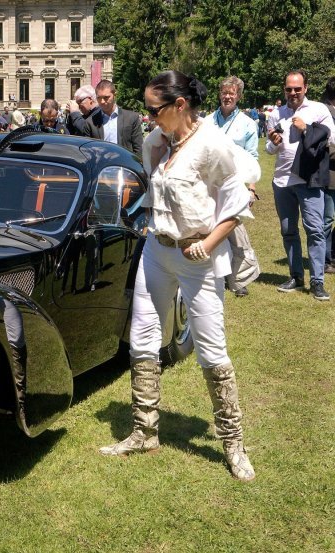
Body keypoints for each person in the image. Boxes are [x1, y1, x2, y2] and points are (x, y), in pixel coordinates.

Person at [100, 71, 256, 483]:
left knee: (211, 348)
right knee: (144, 335)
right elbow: (156, 187)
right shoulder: (157, 141)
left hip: (197, 260)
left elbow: (237, 204)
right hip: (157, 251)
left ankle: (234, 445)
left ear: (180, 105)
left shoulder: (213, 145)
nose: (149, 118)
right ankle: (144, 432)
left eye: (155, 110)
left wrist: (207, 243)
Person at [266, 70, 335, 301]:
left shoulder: (318, 109)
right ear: (284, 89)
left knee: (315, 230)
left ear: (306, 87)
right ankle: (296, 276)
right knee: (289, 231)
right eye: (289, 89)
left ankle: (317, 282)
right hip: (281, 181)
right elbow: (269, 148)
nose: (293, 93)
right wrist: (273, 143)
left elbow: (332, 139)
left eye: (297, 88)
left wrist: (307, 128)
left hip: (309, 180)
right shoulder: (277, 113)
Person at [206, 75, 261, 297]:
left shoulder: (248, 124)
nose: (228, 96)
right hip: (210, 185)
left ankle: (239, 280)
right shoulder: (208, 121)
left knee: (235, 232)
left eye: (232, 93)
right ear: (219, 94)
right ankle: (213, 276)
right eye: (224, 92)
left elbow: (253, 158)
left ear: (238, 96)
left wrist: (252, 189)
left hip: (235, 185)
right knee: (210, 229)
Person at [83, 80, 143, 156]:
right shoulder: (90, 122)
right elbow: (88, 151)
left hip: (125, 165)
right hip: (101, 165)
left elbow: (139, 149)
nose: (102, 101)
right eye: (99, 98)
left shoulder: (131, 118)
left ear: (115, 95)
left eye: (106, 97)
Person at [320, 77, 335, 274]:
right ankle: (323, 259)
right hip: (330, 176)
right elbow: (325, 146)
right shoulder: (323, 113)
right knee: (326, 220)